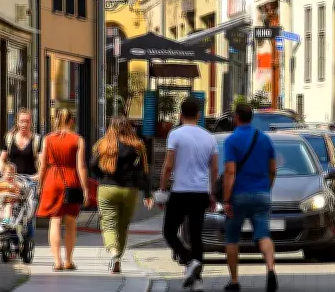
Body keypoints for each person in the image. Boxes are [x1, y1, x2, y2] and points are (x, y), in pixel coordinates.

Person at [159, 96, 218, 292]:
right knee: (196, 235)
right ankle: (197, 279)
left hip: (181, 191)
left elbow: (168, 165)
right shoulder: (209, 137)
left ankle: (187, 261)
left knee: (169, 231)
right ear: (199, 115)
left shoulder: (175, 135)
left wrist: (162, 189)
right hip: (201, 192)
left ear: (180, 114)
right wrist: (212, 193)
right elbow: (214, 168)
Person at [222, 103, 278, 292]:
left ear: (236, 117)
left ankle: (235, 281)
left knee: (232, 238)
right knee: (263, 235)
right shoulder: (265, 139)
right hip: (262, 194)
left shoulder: (231, 140)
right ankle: (270, 269)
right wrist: (266, 188)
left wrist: (227, 199)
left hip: (239, 196)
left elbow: (230, 172)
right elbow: (273, 170)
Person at [90, 116, 154, 273]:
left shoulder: (103, 145)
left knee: (108, 224)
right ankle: (118, 255)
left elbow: (92, 165)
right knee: (123, 226)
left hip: (107, 189)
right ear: (129, 128)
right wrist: (147, 194)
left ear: (110, 128)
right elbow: (142, 172)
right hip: (129, 190)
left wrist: (101, 176)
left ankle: (114, 254)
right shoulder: (138, 146)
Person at [36, 108, 89, 271]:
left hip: (52, 179)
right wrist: (85, 188)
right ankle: (68, 260)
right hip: (71, 180)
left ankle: (57, 261)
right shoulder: (78, 139)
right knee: (71, 221)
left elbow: (43, 165)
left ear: (56, 120)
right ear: (71, 120)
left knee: (55, 220)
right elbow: (81, 166)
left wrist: (40, 183)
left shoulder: (47, 139)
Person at [0, 108, 42, 238]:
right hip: (13, 179)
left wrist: (38, 177)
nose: (24, 124)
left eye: (27, 121)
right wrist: (4, 172)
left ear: (31, 123)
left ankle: (28, 243)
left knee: (27, 216)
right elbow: (1, 159)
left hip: (29, 180)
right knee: (10, 209)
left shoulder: (36, 140)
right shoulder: (9, 139)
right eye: (22, 121)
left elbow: (43, 163)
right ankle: (13, 241)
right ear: (17, 122)